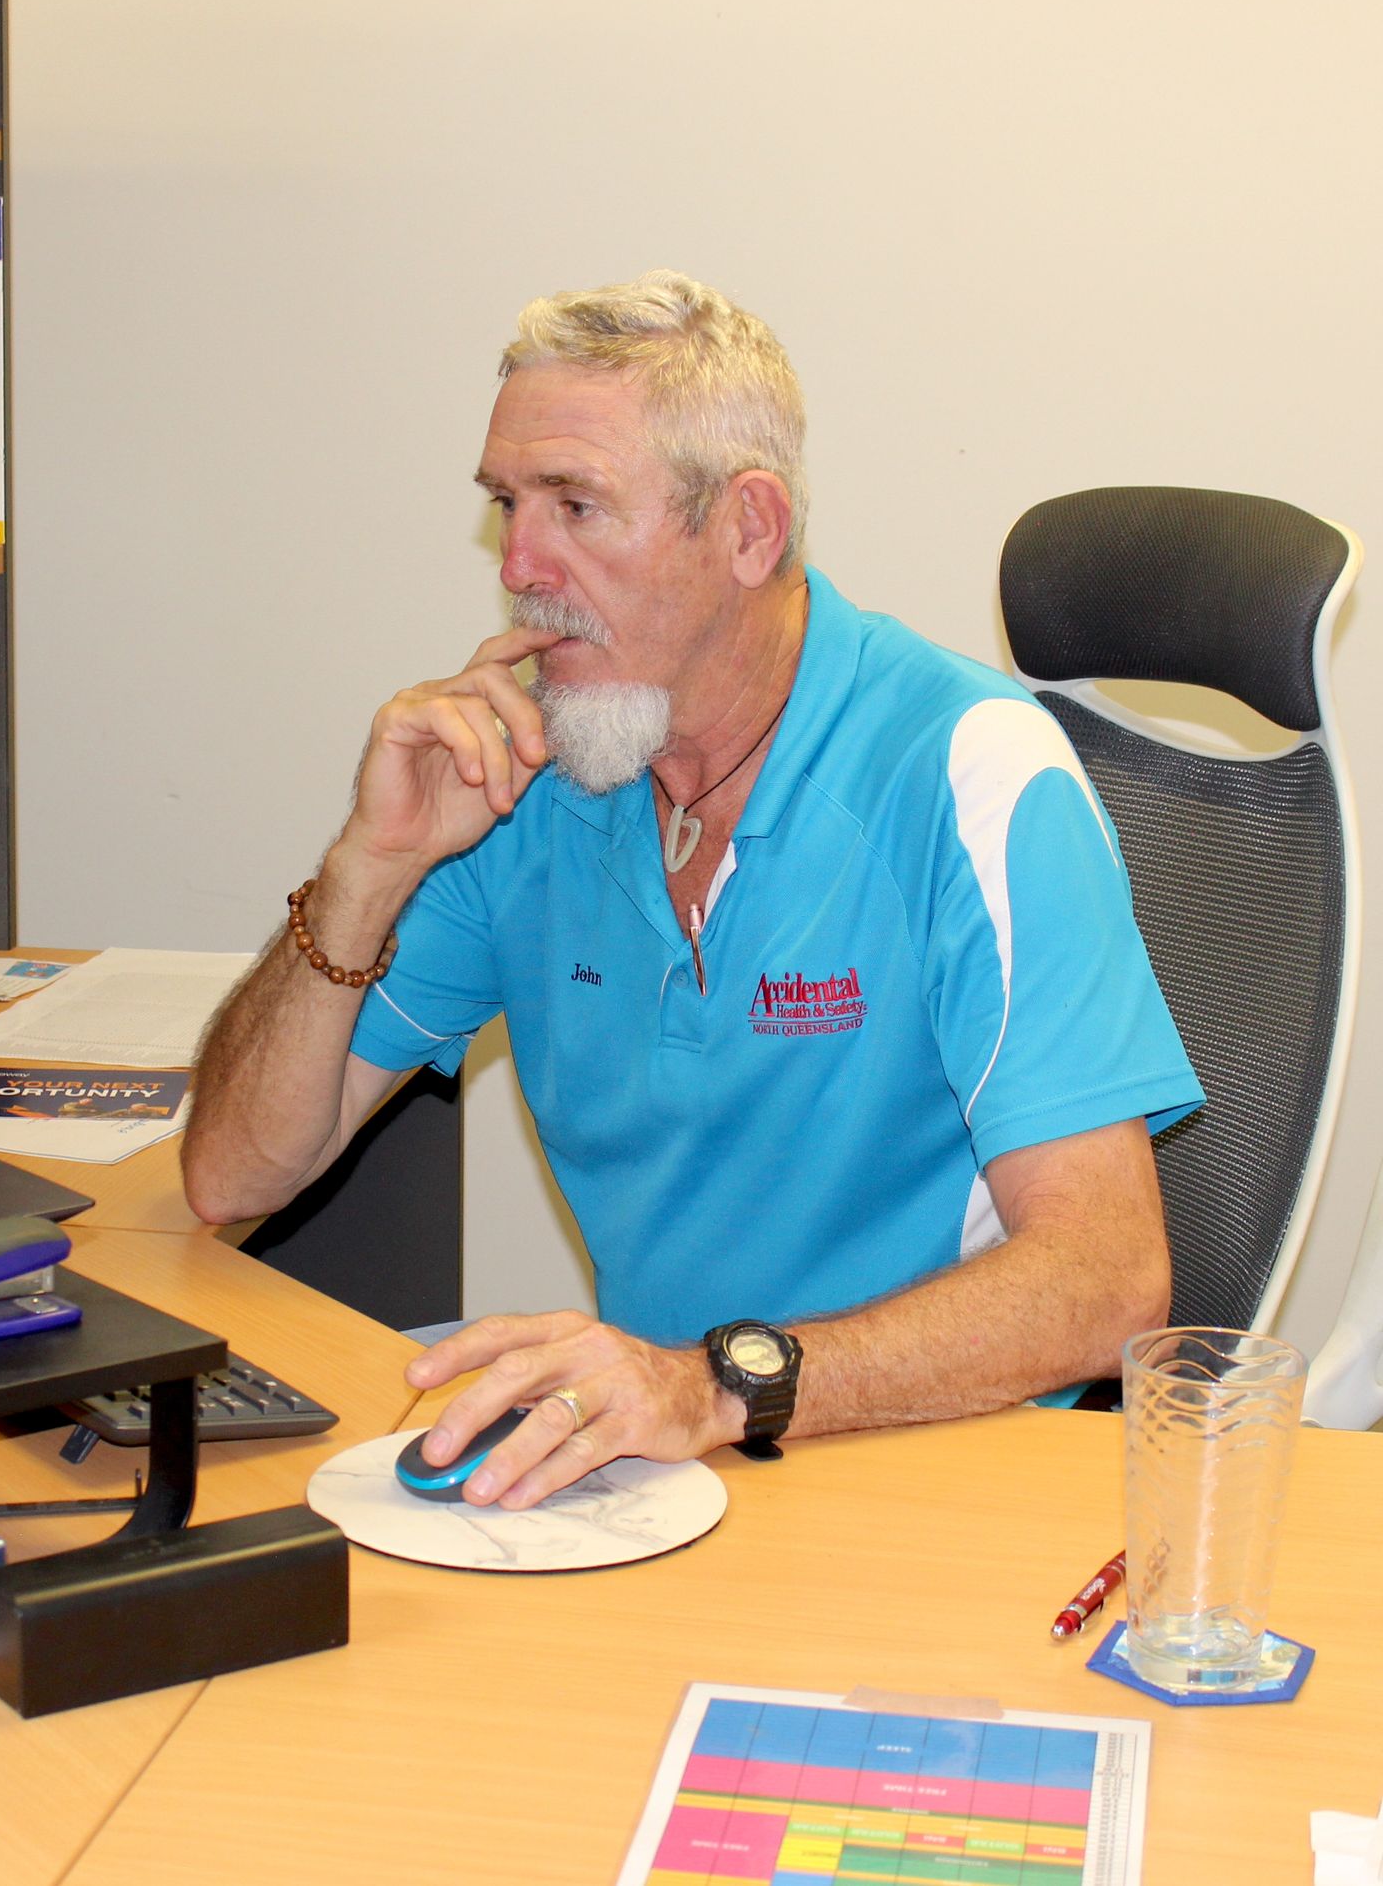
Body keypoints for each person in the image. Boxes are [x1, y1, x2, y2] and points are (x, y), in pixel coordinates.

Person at [183, 270, 1200, 1510]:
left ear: (750, 529)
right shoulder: (534, 767)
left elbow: (1106, 1280)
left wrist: (711, 1387)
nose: (519, 562)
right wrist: (365, 867)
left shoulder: (967, 770)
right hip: (667, 1480)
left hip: (941, 1467)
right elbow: (232, 1179)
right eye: (508, 503)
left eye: (576, 505)